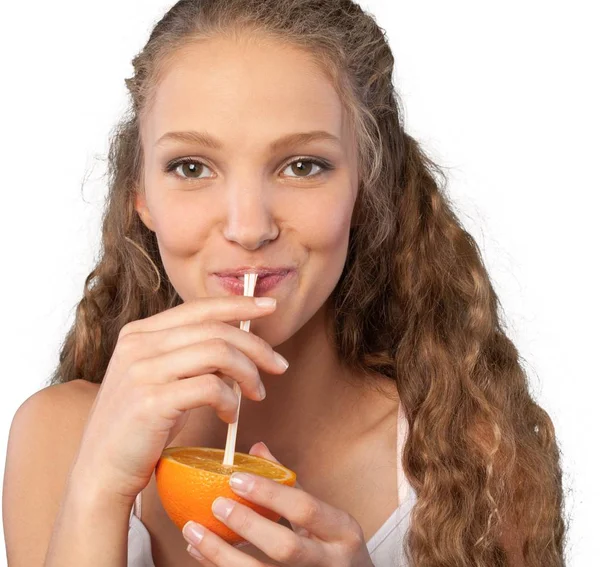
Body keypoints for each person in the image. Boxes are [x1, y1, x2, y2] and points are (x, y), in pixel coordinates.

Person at [3, 0, 567, 566]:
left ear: (365, 188)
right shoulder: (59, 438)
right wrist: (98, 491)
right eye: (192, 167)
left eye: (302, 165)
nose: (249, 228)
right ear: (141, 195)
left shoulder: (471, 459)